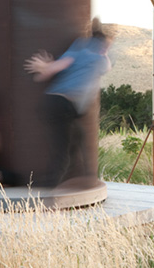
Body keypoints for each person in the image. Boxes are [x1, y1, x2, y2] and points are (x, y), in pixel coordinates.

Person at [24, 17, 113, 187]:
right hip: (63, 107)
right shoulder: (100, 59)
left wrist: (44, 67)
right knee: (62, 154)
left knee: (78, 137)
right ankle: (47, 191)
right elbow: (106, 66)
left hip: (53, 102)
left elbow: (48, 72)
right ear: (103, 45)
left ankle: (83, 178)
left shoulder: (78, 49)